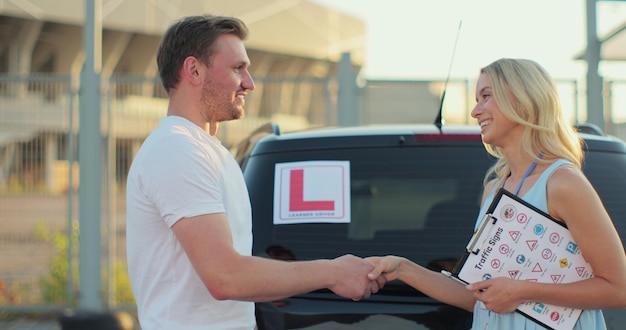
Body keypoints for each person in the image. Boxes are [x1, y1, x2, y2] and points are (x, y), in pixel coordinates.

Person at [125, 15, 381, 330]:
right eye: (237, 68)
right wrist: (333, 273)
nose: (250, 82)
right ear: (194, 70)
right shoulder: (177, 150)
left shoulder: (209, 151)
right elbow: (225, 277)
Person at [366, 58, 626, 329]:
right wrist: (402, 269)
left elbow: (619, 289)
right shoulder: (495, 189)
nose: (475, 111)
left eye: (486, 96)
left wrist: (522, 292)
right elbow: (479, 296)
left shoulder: (562, 183)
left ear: (523, 99)